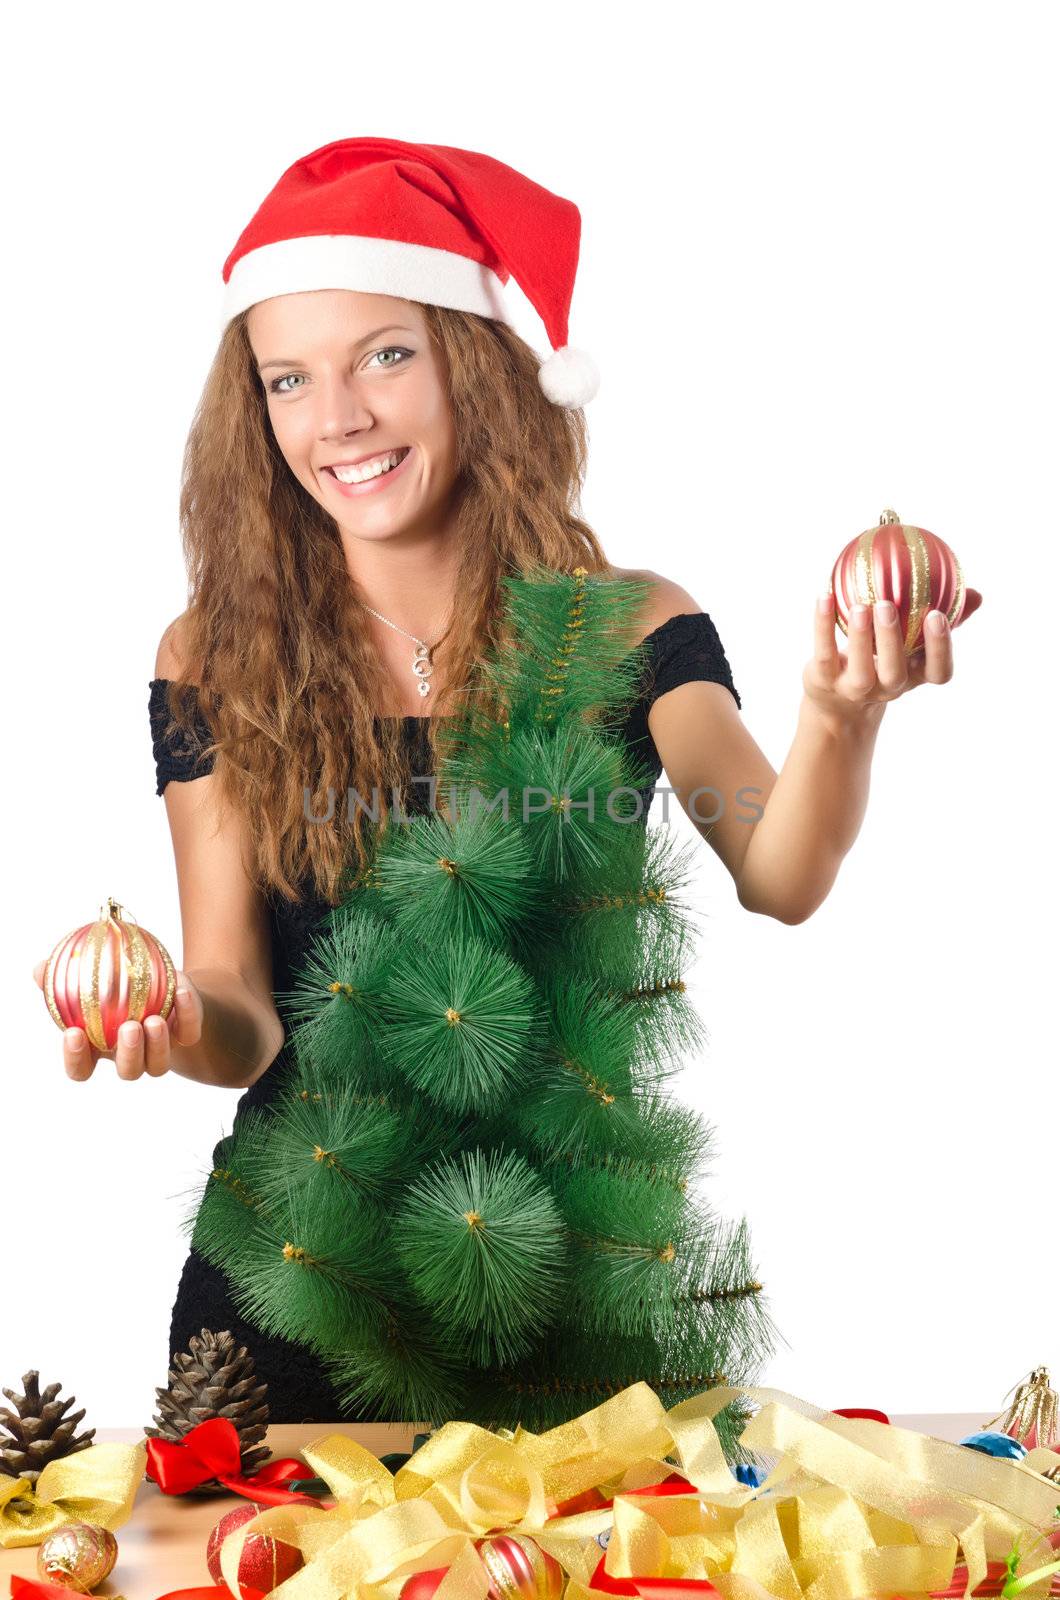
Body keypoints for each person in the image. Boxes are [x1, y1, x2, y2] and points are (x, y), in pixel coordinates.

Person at [32, 137, 976, 1422]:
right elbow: (239, 1005)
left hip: (573, 1294)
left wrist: (839, 712)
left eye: (386, 354)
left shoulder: (627, 627)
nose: (339, 417)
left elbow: (781, 867)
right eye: (288, 378)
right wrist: (175, 1025)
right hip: (288, 1298)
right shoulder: (214, 656)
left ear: (479, 364)